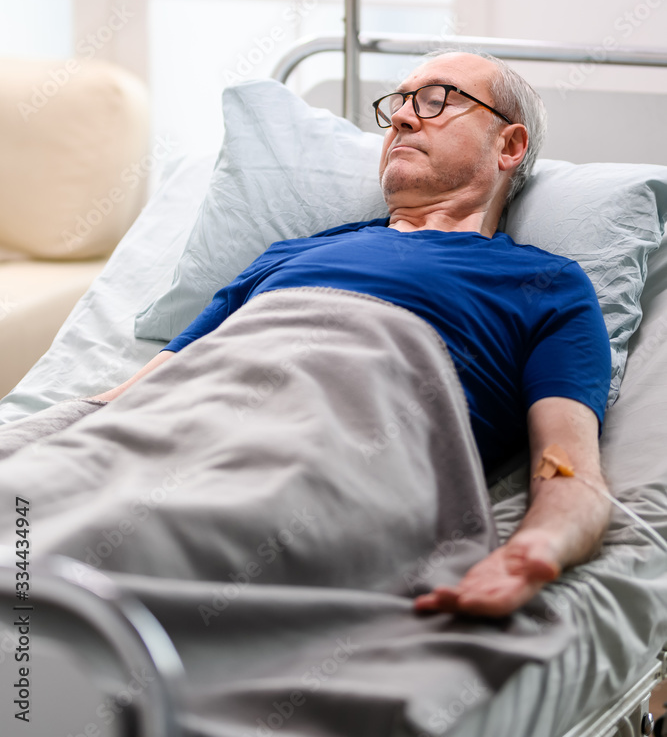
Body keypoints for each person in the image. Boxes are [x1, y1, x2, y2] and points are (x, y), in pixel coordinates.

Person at [89, 50, 612, 619]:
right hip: (177, 432)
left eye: (437, 100)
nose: (405, 119)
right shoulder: (290, 255)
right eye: (399, 105)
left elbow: (570, 469)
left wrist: (533, 551)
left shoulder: (545, 285)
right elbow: (135, 396)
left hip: (329, 463)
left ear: (509, 145)